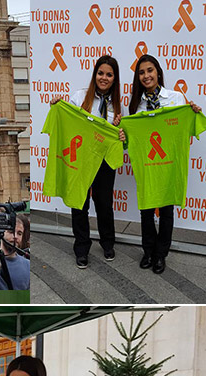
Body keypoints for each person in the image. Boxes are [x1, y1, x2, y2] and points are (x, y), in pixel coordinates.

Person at [128, 55, 201, 275]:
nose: (146, 75)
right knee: (146, 211)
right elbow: (133, 139)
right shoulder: (136, 105)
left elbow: (184, 129)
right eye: (141, 72)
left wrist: (192, 114)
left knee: (166, 211)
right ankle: (148, 251)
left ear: (158, 72)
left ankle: (161, 254)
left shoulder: (176, 98)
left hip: (168, 165)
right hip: (148, 166)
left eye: (149, 70)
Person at [51, 56, 125, 267]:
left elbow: (123, 138)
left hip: (104, 163)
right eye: (100, 73)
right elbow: (67, 122)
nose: (104, 78)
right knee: (80, 204)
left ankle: (108, 243)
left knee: (104, 204)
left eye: (109, 75)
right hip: (81, 160)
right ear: (95, 75)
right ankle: (82, 247)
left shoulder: (118, 106)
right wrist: (57, 106)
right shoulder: (79, 96)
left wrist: (121, 135)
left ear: (114, 78)